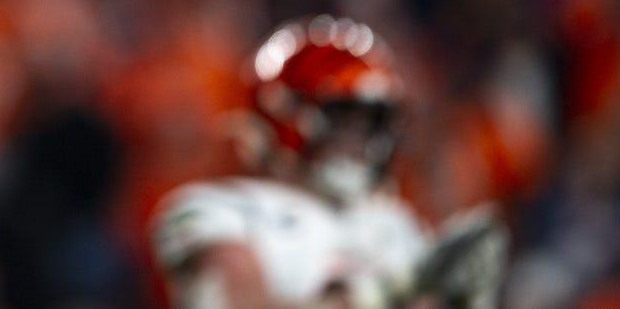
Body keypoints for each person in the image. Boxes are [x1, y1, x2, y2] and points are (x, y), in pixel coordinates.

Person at [150, 15, 507, 308]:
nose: (359, 143)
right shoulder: (221, 210)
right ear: (285, 115)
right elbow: (239, 295)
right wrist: (376, 297)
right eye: (344, 122)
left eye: (370, 126)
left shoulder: (397, 227)